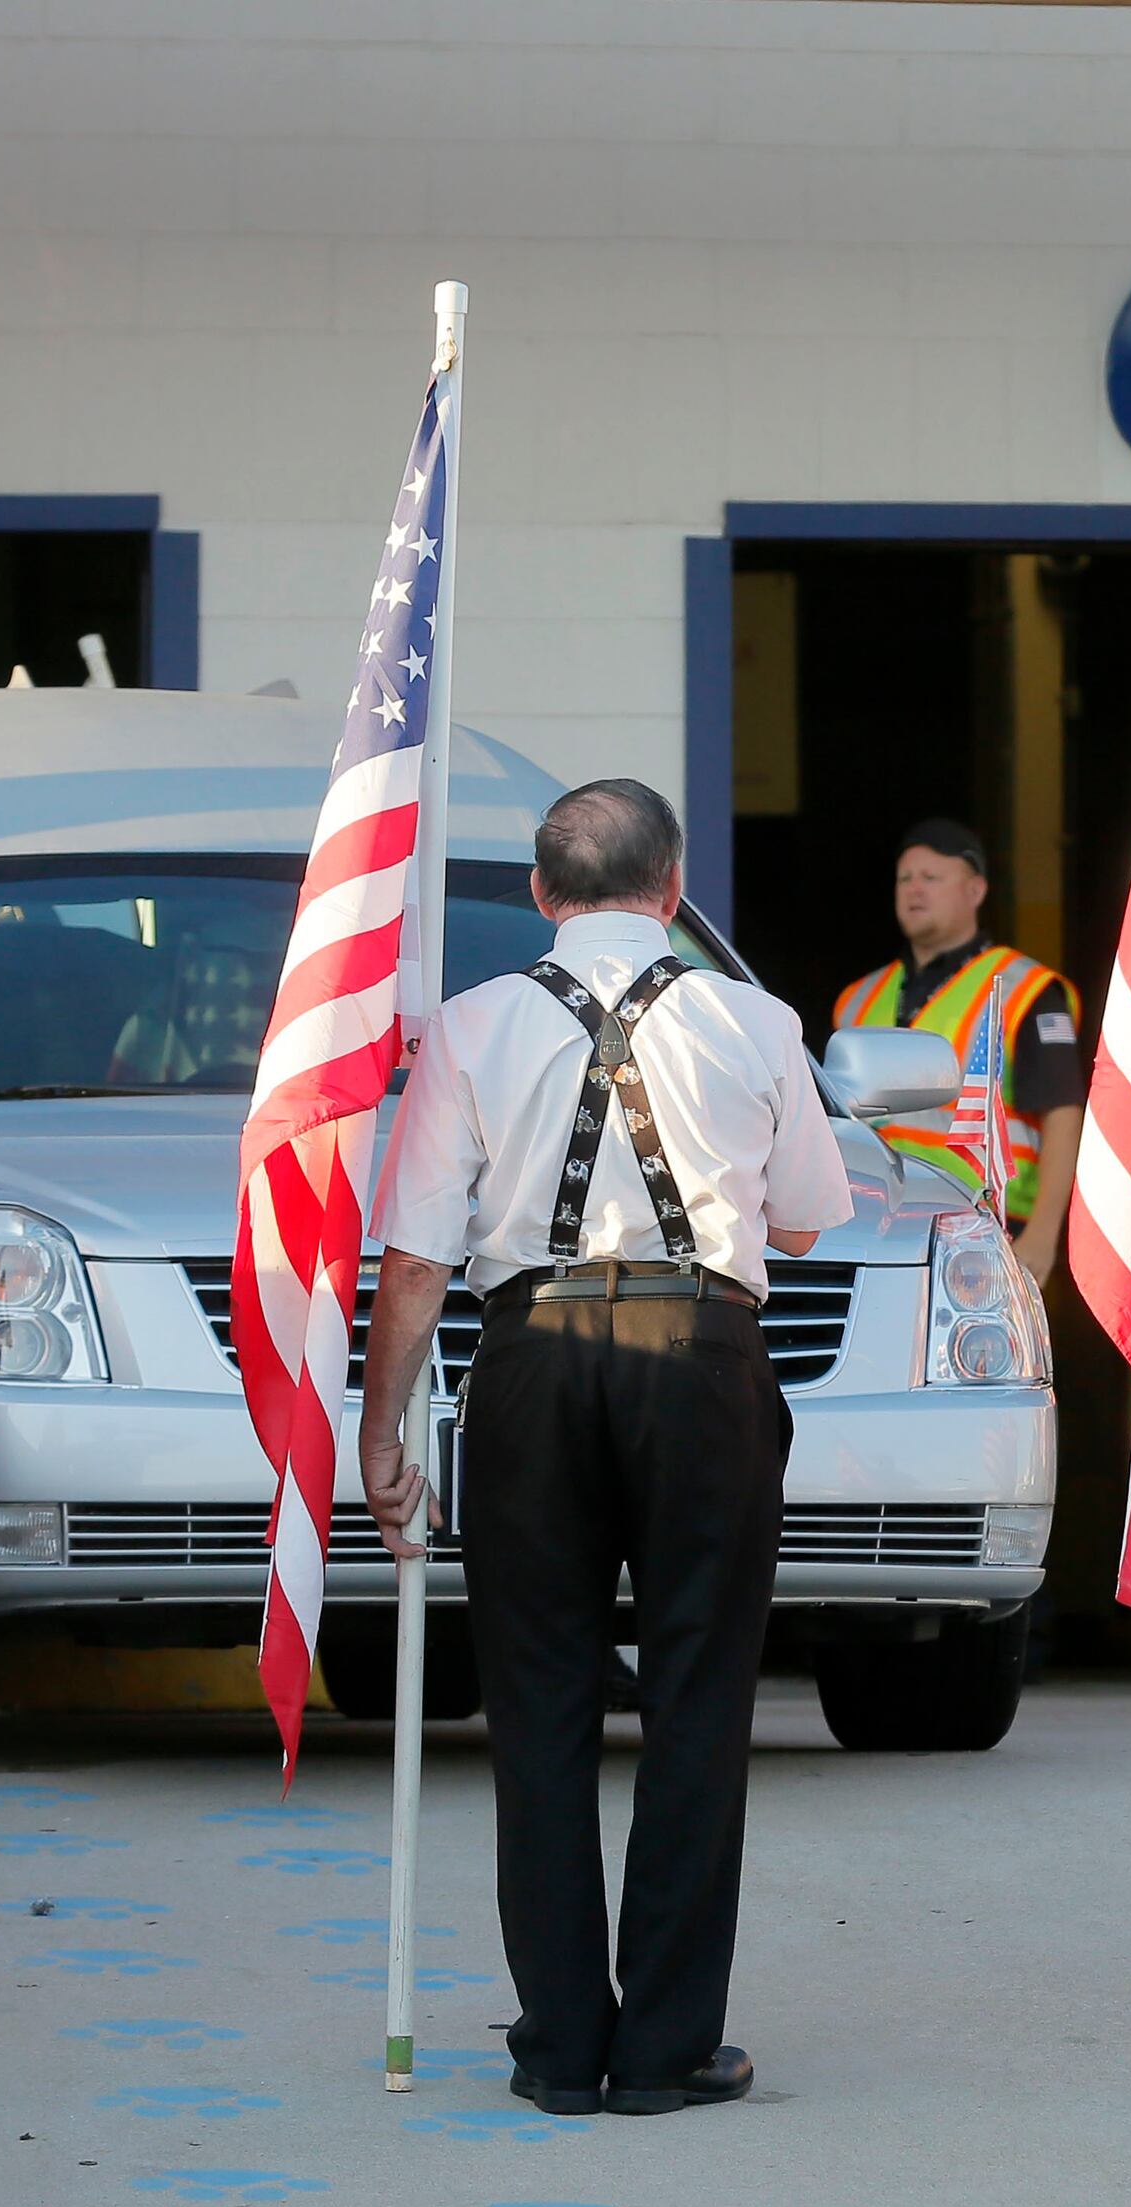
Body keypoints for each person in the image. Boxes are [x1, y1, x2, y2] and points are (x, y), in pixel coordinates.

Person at [356, 780, 853, 2116]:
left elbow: (414, 1258)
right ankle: (668, 2047)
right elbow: (805, 1221)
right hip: (702, 1362)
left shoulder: (468, 1025)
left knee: (540, 1701)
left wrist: (382, 1427)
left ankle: (561, 2044)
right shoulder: (756, 1019)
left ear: (539, 890)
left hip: (529, 1358)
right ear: (675, 884)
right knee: (699, 1695)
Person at [830, 819, 1085, 1283]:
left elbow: (1063, 1115)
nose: (914, 890)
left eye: (932, 877)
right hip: (874, 1229)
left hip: (985, 1225)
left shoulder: (1023, 989)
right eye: (905, 879)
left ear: (975, 890)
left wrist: (1045, 1236)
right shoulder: (858, 999)